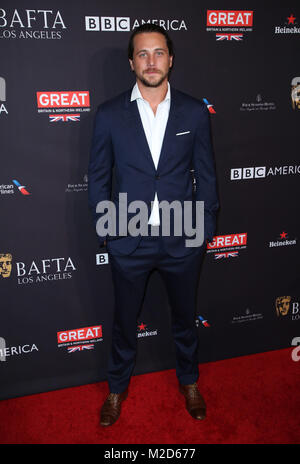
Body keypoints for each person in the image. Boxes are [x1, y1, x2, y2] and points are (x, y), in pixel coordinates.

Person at [88, 23, 219, 427]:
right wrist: (109, 230)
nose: (151, 61)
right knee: (124, 322)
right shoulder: (110, 114)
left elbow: (207, 175)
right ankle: (116, 388)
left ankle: (189, 381)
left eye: (158, 52)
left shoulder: (195, 111)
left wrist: (204, 229)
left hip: (183, 239)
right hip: (130, 241)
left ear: (171, 59)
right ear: (131, 62)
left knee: (185, 319)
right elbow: (97, 177)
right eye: (142, 54)